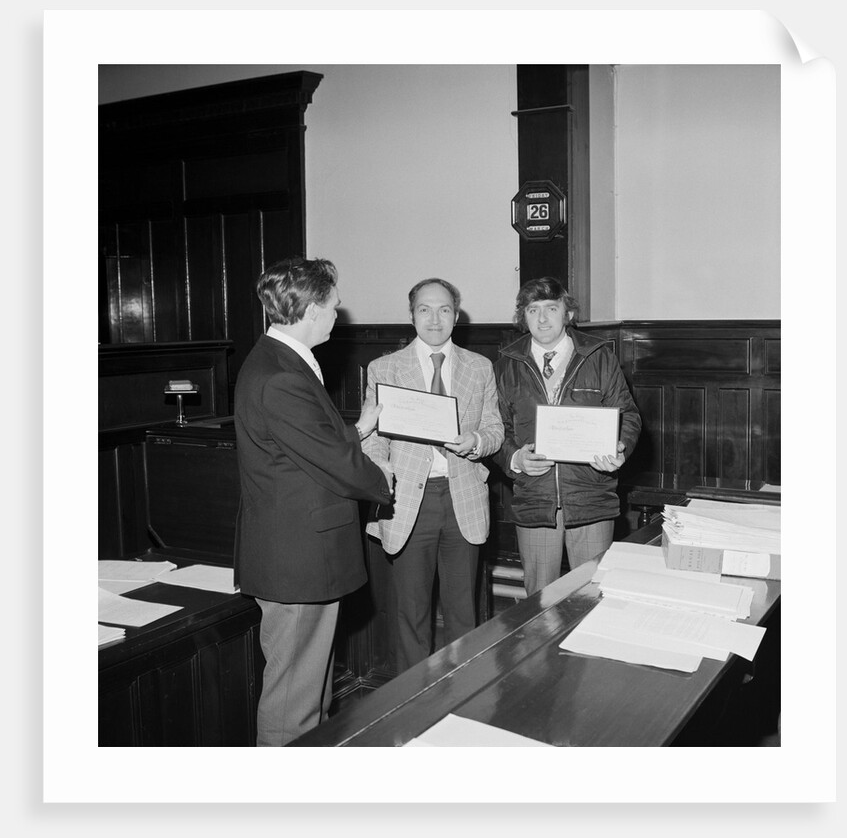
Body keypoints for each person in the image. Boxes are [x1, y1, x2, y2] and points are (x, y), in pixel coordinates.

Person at [233, 256, 394, 746]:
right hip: (299, 558)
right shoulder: (282, 375)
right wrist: (381, 477)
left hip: (298, 552)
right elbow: (332, 463)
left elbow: (302, 442)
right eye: (332, 305)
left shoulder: (279, 360)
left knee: (311, 695)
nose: (338, 311)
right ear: (309, 310)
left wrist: (358, 428)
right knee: (293, 705)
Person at [362, 278, 504, 673]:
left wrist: (475, 441)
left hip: (463, 500)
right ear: (411, 316)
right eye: (425, 309)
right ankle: (412, 706)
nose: (434, 318)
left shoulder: (479, 368)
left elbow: (496, 430)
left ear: (456, 316)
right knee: (412, 612)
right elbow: (372, 436)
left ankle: (463, 700)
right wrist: (381, 468)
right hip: (407, 501)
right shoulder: (384, 368)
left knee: (463, 610)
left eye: (444, 310)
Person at [493, 277, 641, 596]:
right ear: (523, 316)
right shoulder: (506, 364)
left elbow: (627, 413)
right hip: (534, 498)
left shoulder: (598, 356)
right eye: (533, 310)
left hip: (590, 496)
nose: (542, 318)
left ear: (568, 314)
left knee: (590, 596)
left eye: (551, 308)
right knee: (539, 600)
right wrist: (514, 458)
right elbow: (497, 427)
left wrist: (621, 448)